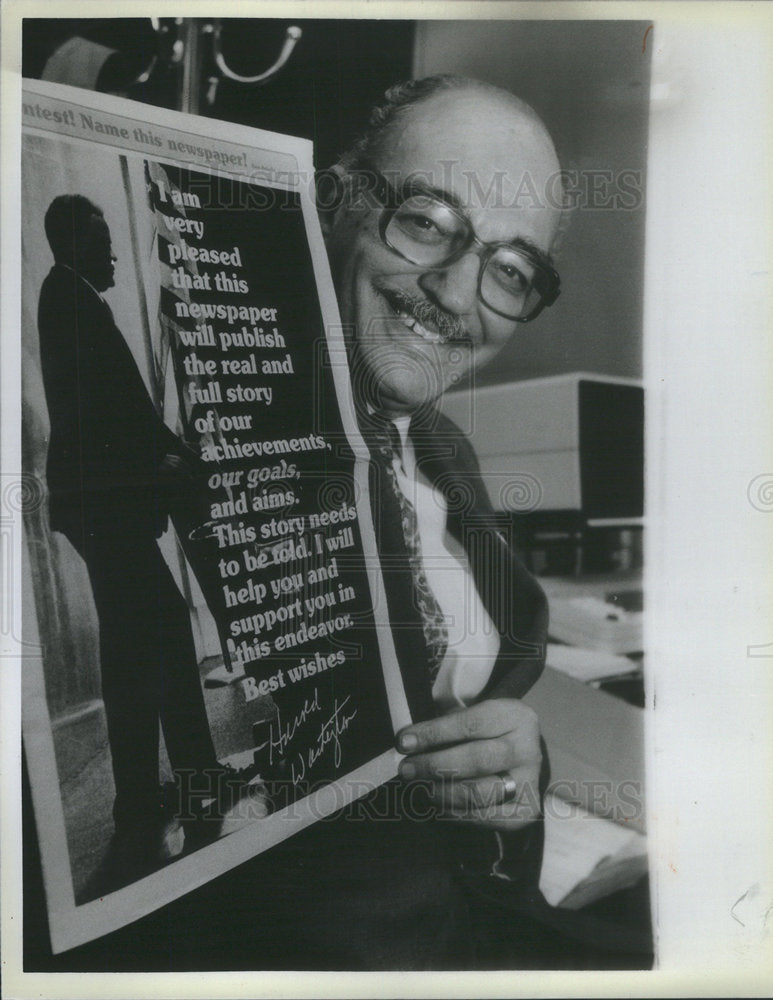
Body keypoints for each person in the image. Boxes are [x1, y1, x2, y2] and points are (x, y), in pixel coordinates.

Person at [28, 76, 563, 969]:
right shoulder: (235, 430)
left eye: (510, 270)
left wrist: (514, 776)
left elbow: (491, 709)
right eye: (427, 220)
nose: (457, 294)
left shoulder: (445, 453)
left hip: (467, 941)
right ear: (330, 202)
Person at [37, 195, 241, 881]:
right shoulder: (68, 299)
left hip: (99, 505)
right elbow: (102, 410)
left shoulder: (69, 297)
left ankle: (141, 801)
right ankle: (196, 783)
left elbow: (115, 406)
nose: (115, 253)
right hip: (103, 504)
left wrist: (171, 448)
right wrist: (166, 456)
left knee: (132, 653)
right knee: (164, 632)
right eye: (103, 240)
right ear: (72, 240)